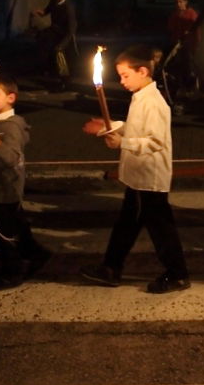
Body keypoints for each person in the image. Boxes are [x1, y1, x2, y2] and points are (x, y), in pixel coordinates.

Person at [80, 45, 190, 294]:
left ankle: (177, 274)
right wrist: (112, 126)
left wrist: (122, 142)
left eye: (125, 75)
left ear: (143, 71)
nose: (121, 81)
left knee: (160, 228)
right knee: (127, 224)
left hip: (148, 177)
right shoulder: (141, 97)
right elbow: (136, 127)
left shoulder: (154, 103)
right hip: (138, 177)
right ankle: (111, 267)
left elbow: (154, 141)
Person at [0, 73, 51, 290]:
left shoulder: (9, 127)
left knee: (3, 234)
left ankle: (11, 272)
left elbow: (12, 158)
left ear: (11, 98)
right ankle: (36, 254)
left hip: (2, 188)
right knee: (16, 225)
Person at [34, 0, 77, 91]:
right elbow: (47, 10)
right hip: (53, 32)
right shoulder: (53, 0)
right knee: (44, 48)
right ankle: (50, 75)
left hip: (64, 35)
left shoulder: (68, 7)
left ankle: (65, 82)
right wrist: (41, 12)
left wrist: (63, 44)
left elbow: (72, 28)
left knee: (60, 55)